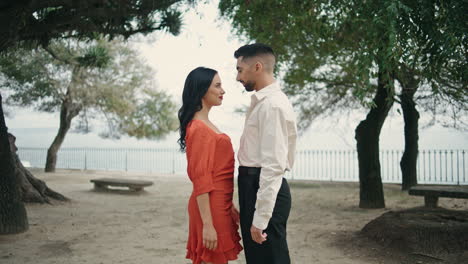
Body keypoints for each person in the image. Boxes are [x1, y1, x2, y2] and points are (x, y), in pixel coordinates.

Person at [234, 43, 297, 264]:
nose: (237, 77)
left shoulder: (272, 106)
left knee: (270, 258)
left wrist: (260, 218)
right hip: (252, 184)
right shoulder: (264, 102)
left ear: (257, 67)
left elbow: (273, 165)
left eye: (240, 70)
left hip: (261, 185)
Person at [178, 67, 243, 264]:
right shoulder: (199, 128)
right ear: (201, 90)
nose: (223, 90)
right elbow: (201, 178)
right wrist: (207, 224)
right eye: (217, 85)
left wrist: (229, 202)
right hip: (210, 208)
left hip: (220, 203)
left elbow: (217, 169)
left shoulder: (205, 124)